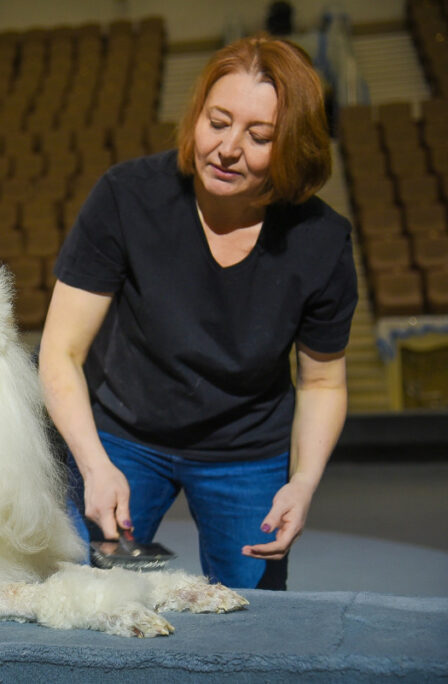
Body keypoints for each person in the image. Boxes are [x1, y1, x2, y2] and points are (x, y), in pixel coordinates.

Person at [38, 34, 357, 590]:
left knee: (254, 619)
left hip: (246, 449)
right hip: (122, 433)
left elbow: (324, 382)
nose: (228, 148)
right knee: (80, 594)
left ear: (295, 149)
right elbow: (60, 351)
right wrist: (93, 465)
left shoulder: (322, 241)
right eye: (218, 122)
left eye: (259, 137)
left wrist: (302, 484)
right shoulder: (125, 196)